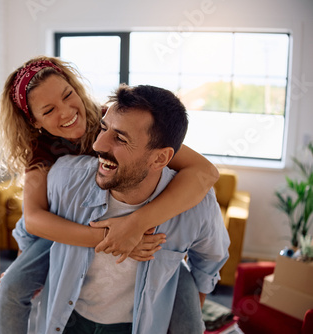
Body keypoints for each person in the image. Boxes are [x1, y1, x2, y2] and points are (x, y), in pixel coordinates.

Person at [0, 56, 220, 333]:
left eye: (68, 95)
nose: (66, 112)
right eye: (49, 110)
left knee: (187, 313)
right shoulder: (41, 152)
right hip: (65, 231)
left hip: (143, 232)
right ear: (35, 122)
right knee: (12, 286)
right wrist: (111, 238)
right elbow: (35, 220)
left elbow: (206, 172)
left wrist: (135, 226)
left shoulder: (112, 119)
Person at [38, 84, 230, 333]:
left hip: (138, 325)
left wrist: (186, 320)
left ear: (160, 158)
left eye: (120, 138)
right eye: (103, 129)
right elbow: (33, 230)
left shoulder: (197, 206)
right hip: (67, 319)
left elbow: (209, 261)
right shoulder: (65, 178)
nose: (97, 145)